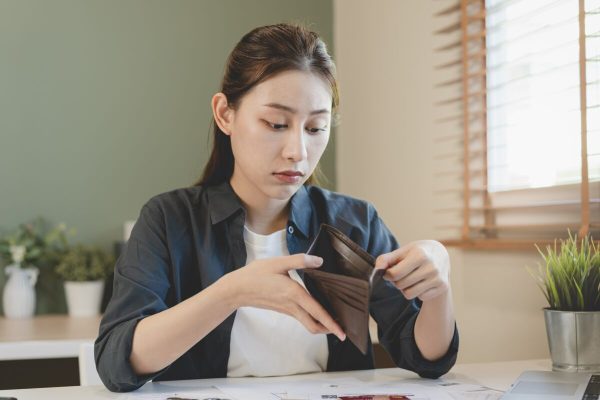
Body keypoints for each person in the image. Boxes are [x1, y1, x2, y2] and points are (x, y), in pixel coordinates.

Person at [95, 23, 459, 393]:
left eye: (316, 128)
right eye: (276, 123)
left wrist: (438, 290)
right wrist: (230, 292)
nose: (297, 152)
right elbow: (116, 360)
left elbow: (425, 357)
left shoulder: (355, 223)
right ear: (225, 114)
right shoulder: (168, 220)